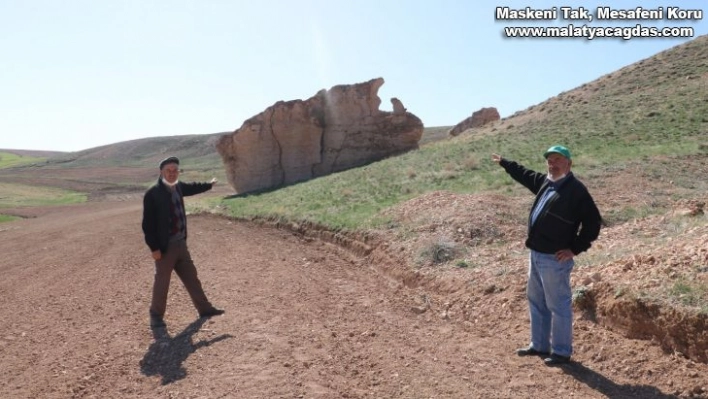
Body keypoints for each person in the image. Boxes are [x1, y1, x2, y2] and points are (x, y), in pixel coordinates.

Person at [491, 145, 601, 366]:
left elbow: (593, 223)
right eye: (550, 160)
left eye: (558, 160)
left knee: (558, 304)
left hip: (555, 258)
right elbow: (525, 175)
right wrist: (506, 163)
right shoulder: (546, 183)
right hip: (536, 254)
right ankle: (539, 345)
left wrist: (574, 249)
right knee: (537, 300)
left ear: (569, 164)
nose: (553, 164)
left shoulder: (576, 190)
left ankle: (561, 351)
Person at [142, 156, 225, 329]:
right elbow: (147, 225)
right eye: (168, 170)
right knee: (162, 282)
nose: (172, 173)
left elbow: (194, 187)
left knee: (192, 277)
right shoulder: (153, 193)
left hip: (181, 244)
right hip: (165, 248)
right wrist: (154, 248)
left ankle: (205, 309)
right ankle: (155, 316)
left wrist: (209, 184)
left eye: (175, 170)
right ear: (161, 172)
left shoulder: (178, 186)